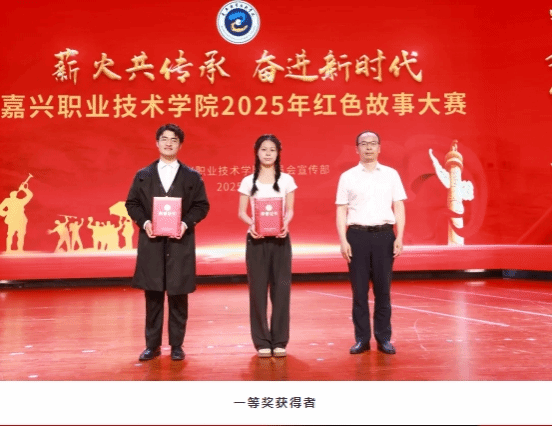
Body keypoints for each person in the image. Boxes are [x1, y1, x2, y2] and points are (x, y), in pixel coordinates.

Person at [125, 123, 209, 361]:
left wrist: (185, 223)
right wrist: (145, 223)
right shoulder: (143, 175)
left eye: (174, 140)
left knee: (178, 295)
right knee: (153, 296)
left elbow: (201, 205)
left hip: (180, 243)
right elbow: (132, 203)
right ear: (157, 143)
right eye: (164, 139)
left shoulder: (191, 176)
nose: (168, 143)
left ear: (180, 145)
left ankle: (177, 346)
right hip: (152, 243)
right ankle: (152, 346)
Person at [335, 130, 406, 355]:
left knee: (383, 291)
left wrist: (400, 236)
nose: (368, 147)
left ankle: (384, 339)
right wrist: (343, 240)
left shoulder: (391, 175)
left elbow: (399, 205)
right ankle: (362, 339)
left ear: (379, 148)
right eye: (364, 144)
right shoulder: (347, 176)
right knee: (359, 292)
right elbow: (341, 209)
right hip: (357, 236)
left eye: (373, 143)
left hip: (384, 236)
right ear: (356, 149)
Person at [238, 134, 297, 358]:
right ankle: (262, 341)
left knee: (281, 290)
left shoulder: (287, 180)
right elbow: (241, 212)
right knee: (258, 291)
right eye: (264, 149)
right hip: (256, 240)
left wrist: (285, 223)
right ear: (257, 152)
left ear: (278, 153)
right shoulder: (248, 181)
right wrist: (252, 224)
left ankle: (280, 340)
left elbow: (289, 210)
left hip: (281, 240)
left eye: (272, 149)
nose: (268, 153)